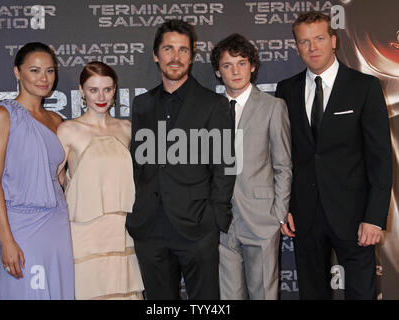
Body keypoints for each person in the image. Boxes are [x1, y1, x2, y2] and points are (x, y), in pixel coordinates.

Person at [275, 11, 392, 299]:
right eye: (304, 42)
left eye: (319, 39)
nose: (312, 48)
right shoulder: (285, 89)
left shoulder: (364, 87)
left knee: (362, 293)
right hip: (305, 215)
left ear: (334, 40)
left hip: (355, 217)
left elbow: (380, 157)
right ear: (296, 47)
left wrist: (375, 218)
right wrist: (284, 207)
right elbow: (283, 156)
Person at [126, 19, 236, 299]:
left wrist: (213, 219)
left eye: (183, 50)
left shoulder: (214, 104)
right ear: (155, 54)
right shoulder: (142, 105)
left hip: (197, 227)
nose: (175, 57)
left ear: (192, 55)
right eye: (168, 49)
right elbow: (138, 164)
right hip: (150, 227)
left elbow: (224, 166)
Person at [0, 42, 74, 299]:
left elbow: (59, 177)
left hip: (58, 223)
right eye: (34, 70)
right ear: (17, 72)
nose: (44, 78)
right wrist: (6, 241)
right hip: (23, 226)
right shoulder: (2, 115)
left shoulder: (57, 121)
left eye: (49, 71)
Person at [211, 33, 291, 300]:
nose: (236, 71)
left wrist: (278, 213)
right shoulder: (209, 109)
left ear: (253, 66)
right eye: (227, 65)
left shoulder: (273, 107)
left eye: (242, 63)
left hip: (260, 218)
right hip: (221, 219)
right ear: (217, 71)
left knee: (263, 294)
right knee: (227, 296)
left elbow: (283, 164)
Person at [57, 61, 144, 300]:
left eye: (107, 89)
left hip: (120, 229)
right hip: (83, 231)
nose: (101, 96)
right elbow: (56, 178)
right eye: (93, 89)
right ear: (82, 90)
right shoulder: (68, 130)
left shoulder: (126, 128)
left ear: (115, 89)